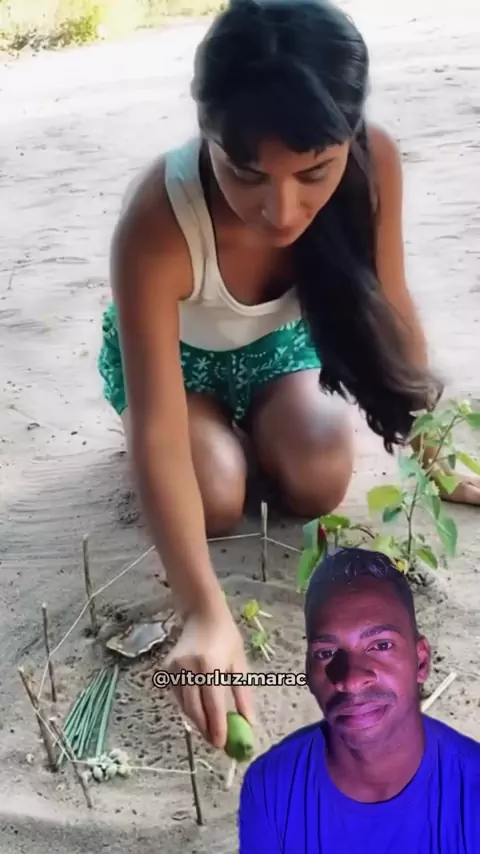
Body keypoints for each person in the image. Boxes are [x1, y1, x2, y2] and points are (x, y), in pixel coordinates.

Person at [97, 0, 480, 749]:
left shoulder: (375, 161)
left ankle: (253, 432)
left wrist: (431, 446)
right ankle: (223, 442)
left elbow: (390, 305)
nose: (281, 210)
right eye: (247, 173)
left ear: (347, 138)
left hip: (278, 351)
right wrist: (204, 610)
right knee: (213, 496)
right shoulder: (157, 219)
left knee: (319, 477)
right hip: (177, 365)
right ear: (208, 133)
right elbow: (158, 425)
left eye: (314, 172)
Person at [238, 547, 480, 852]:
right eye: (326, 653)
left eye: (381, 645)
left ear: (421, 662)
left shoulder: (472, 791)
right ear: (308, 672)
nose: (351, 680)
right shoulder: (271, 788)